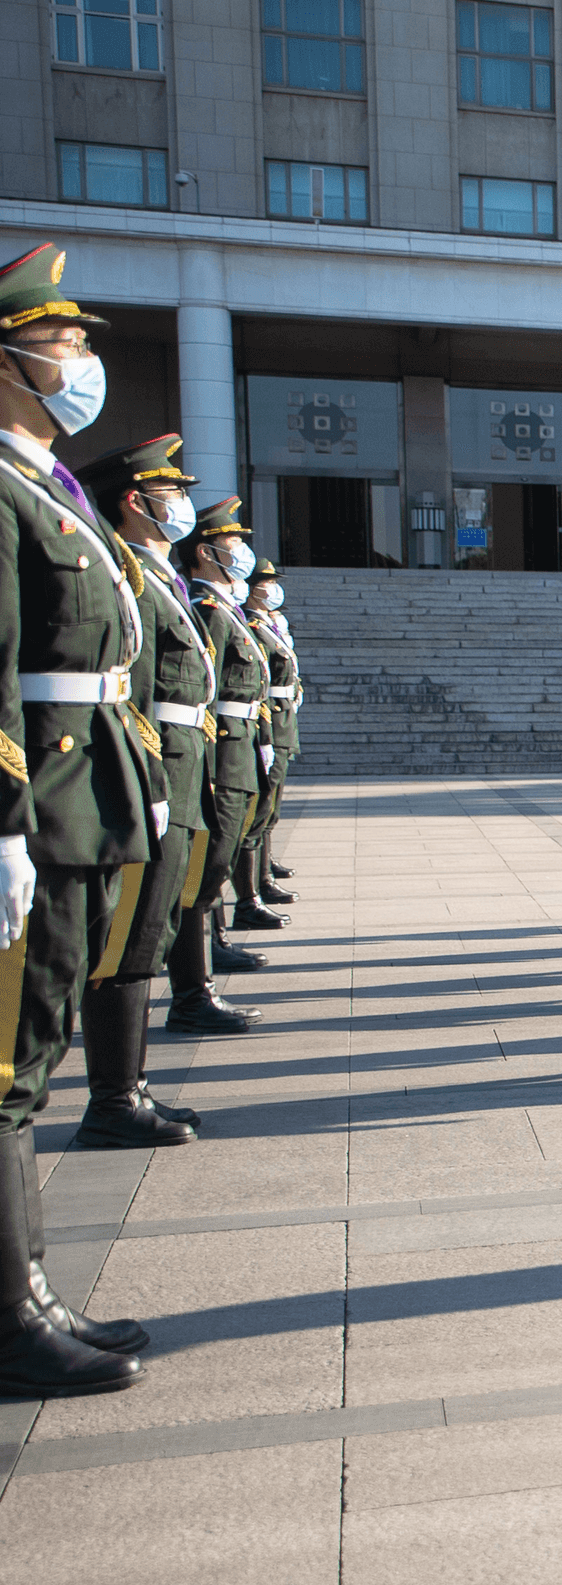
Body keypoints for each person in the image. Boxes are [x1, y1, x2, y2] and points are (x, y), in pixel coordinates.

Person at [0, 243, 154, 1392]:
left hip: (83, 788)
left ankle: (33, 1288)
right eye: (63, 343)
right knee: (5, 1066)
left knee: (34, 1046)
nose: (84, 359)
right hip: (41, 795)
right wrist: (4, 815)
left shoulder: (46, 489)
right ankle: (13, 1317)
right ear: (10, 363)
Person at [75, 435, 211, 1148]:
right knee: (128, 938)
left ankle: (133, 1085)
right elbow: (136, 691)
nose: (181, 504)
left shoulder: (154, 578)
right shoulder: (130, 575)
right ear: (135, 501)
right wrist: (151, 779)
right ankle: (112, 1099)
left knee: (149, 929)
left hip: (177, 767)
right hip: (152, 770)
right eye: (170, 492)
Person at [177, 502, 275, 994]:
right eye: (233, 545)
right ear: (205, 551)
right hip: (221, 748)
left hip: (242, 742)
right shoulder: (207, 609)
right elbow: (208, 692)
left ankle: (213, 944)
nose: (242, 554)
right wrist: (210, 768)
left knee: (222, 853)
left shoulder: (227, 610)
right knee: (209, 859)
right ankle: (198, 970)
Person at [238, 557, 300, 935]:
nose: (272, 587)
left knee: (269, 806)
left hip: (281, 719)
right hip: (265, 722)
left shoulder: (268, 624)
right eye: (266, 581)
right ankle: (249, 895)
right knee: (254, 813)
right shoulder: (246, 623)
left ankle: (261, 876)